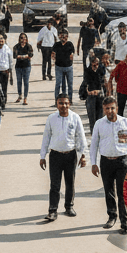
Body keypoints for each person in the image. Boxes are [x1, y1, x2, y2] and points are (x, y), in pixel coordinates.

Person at [38, 94, 87, 222]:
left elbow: (81, 137)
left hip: (70, 155)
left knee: (70, 183)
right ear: (56, 104)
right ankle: (52, 210)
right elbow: (46, 138)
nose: (63, 106)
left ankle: (69, 206)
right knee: (55, 185)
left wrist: (83, 156)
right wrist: (42, 156)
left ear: (69, 104)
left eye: (66, 103)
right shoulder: (51, 118)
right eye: (60, 103)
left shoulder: (75, 118)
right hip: (55, 155)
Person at [89, 96, 127, 233]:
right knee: (109, 191)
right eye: (107, 108)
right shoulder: (99, 124)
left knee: (122, 192)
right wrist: (94, 163)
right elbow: (94, 144)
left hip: (122, 161)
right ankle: (112, 216)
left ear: (117, 108)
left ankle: (124, 222)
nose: (110, 111)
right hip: (106, 161)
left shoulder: (125, 122)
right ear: (103, 109)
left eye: (112, 108)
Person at [79, 51, 108, 132]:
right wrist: (90, 91)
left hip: (100, 97)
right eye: (94, 63)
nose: (96, 65)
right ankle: (93, 134)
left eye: (97, 63)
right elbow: (86, 84)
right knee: (92, 118)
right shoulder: (87, 71)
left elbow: (104, 83)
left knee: (100, 118)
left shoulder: (101, 70)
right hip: (91, 97)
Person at [51, 27, 77, 103]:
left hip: (68, 67)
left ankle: (70, 100)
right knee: (58, 84)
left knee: (70, 85)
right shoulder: (56, 45)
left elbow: (72, 53)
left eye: (65, 36)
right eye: (62, 36)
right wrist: (53, 57)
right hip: (59, 67)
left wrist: (71, 56)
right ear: (59, 36)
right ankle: (57, 101)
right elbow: (53, 53)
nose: (64, 38)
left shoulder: (70, 44)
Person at [13, 32, 33, 105]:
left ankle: (25, 97)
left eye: (24, 38)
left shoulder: (28, 46)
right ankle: (19, 95)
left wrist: (20, 56)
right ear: (19, 39)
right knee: (19, 82)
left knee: (26, 82)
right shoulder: (16, 46)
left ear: (26, 39)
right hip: (18, 66)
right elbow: (15, 56)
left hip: (26, 66)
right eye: (21, 38)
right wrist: (25, 56)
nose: (23, 39)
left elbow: (30, 55)